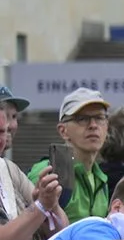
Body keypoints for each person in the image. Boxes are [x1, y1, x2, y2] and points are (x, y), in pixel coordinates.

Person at [1, 87, 59, 240]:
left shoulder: (9, 169)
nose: (9, 126)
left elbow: (60, 233)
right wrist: (40, 207)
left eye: (13, 117)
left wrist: (51, 205)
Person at [36, 90, 114, 224]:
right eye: (82, 119)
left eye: (100, 118)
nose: (93, 125)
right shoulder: (48, 171)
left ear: (107, 126)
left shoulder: (101, 179)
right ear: (63, 131)